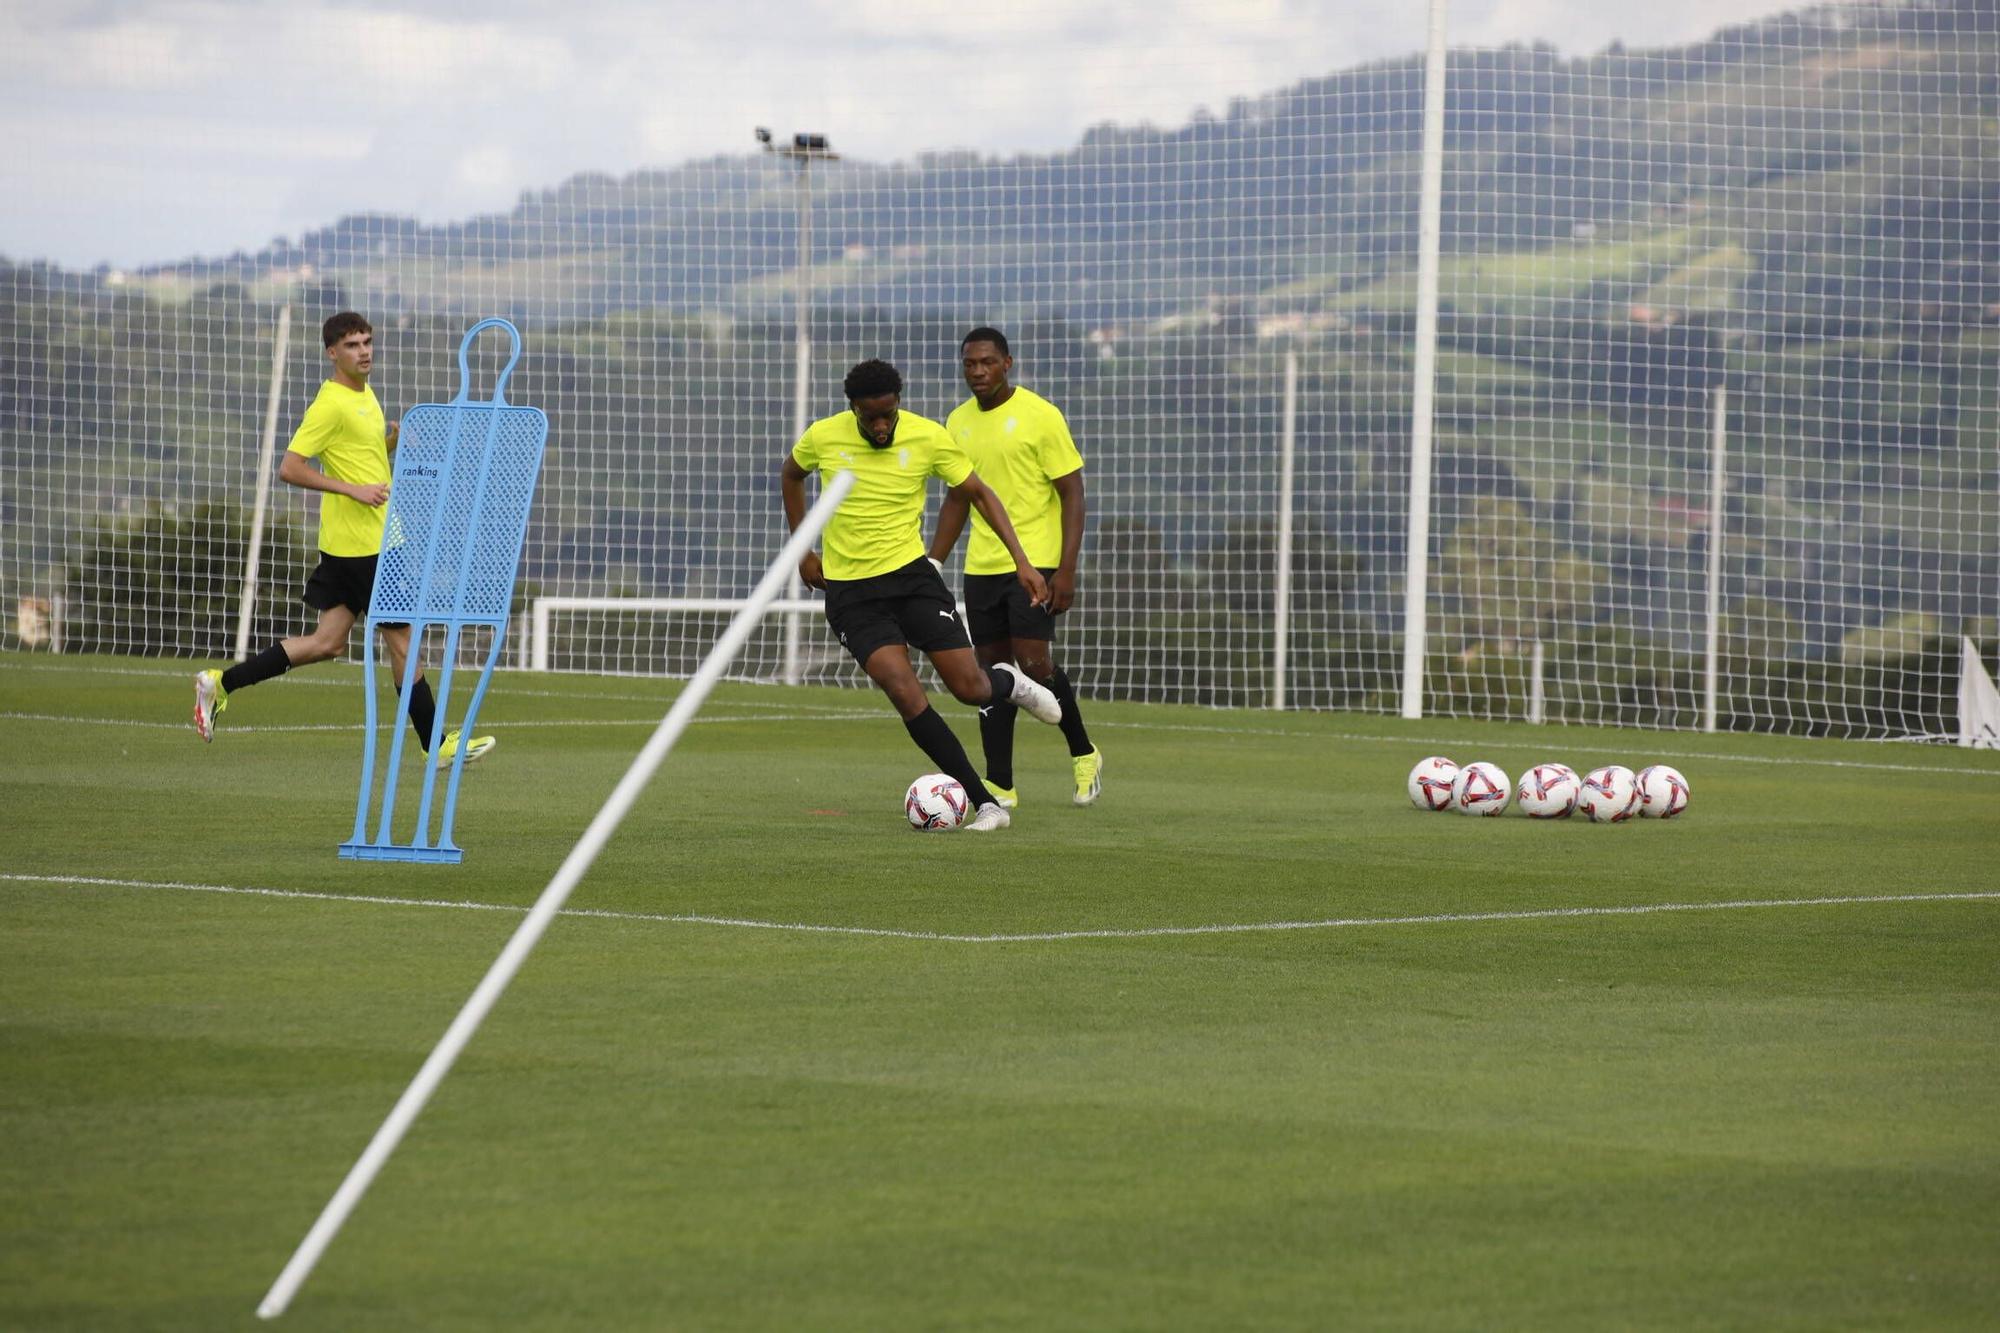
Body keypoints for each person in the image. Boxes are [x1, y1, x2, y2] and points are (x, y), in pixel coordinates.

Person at [192, 311, 492, 765]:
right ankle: (437, 744)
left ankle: (221, 683)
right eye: (353, 345)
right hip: (367, 549)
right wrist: (353, 489)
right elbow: (290, 467)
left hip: (360, 544)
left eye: (368, 342)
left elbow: (357, 454)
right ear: (332, 353)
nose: (364, 351)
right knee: (405, 645)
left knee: (327, 643)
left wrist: (390, 441)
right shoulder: (330, 403)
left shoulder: (364, 394)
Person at [781, 358, 1063, 833]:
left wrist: (1023, 563)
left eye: (887, 413)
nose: (880, 425)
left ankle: (1009, 683)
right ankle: (986, 804)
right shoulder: (823, 436)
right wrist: (802, 550)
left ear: (898, 403)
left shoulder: (928, 436)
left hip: (912, 582)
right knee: (904, 691)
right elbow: (791, 474)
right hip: (852, 595)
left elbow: (978, 492)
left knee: (970, 689)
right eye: (869, 416)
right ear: (852, 409)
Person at [929, 328, 1100, 807]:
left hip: (1039, 562)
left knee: (1034, 665)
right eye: (969, 364)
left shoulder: (1041, 416)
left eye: (987, 362)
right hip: (982, 566)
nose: (978, 372)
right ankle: (1000, 784)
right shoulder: (957, 422)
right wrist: (933, 561)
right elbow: (957, 499)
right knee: (989, 674)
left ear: (1008, 363)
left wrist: (1065, 570)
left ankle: (1083, 753)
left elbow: (1073, 492)